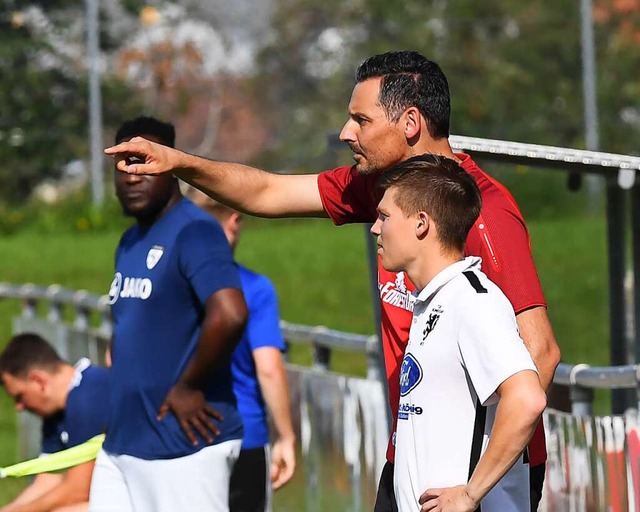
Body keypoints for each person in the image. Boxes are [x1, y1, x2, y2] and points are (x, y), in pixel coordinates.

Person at [104, 51, 561, 511]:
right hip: (412, 460)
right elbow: (268, 191)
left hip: (471, 477)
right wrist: (178, 163)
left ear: (410, 122)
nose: (346, 133)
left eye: (361, 120)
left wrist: (473, 482)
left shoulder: (483, 213)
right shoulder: (382, 189)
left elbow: (539, 352)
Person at [370, 154, 546, 511]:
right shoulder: (434, 299)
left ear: (421, 224)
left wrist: (469, 494)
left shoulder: (471, 300)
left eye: (385, 216)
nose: (375, 227)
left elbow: (527, 399)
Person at [89, 116, 248, 512]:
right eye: (122, 166)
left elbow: (230, 313)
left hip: (182, 446)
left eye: (141, 163)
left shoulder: (195, 231)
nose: (131, 177)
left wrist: (187, 385)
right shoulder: (129, 241)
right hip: (123, 444)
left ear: (170, 167)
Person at [189, 190, 296, 511]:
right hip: (243, 436)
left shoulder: (170, 285)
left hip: (180, 436)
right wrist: (286, 437)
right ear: (235, 219)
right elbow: (268, 368)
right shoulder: (253, 288)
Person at [0, 333, 110, 512]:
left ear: (39, 381)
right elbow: (45, 483)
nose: (19, 407)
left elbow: (77, 491)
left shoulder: (90, 397)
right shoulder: (56, 415)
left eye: (20, 397)